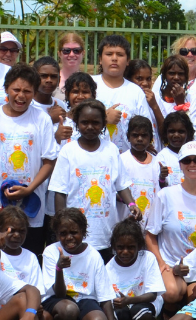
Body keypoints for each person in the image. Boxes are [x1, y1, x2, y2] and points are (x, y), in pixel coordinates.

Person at [0, 64, 58, 251]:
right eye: (16, 90)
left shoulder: (41, 119)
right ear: (6, 89)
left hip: (31, 208)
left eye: (27, 91)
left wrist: (29, 190)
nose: (21, 96)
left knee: (29, 255)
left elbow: (49, 160)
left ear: (34, 92)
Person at [145, 140, 196, 314]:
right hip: (171, 265)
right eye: (187, 160)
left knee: (195, 296)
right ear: (180, 164)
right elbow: (150, 235)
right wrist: (161, 263)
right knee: (172, 293)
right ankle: (170, 304)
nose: (192, 164)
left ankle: (181, 307)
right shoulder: (165, 195)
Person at [50, 99, 135, 254]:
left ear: (103, 124)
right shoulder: (68, 151)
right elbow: (59, 191)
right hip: (76, 233)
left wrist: (132, 205)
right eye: (84, 122)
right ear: (76, 123)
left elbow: (122, 185)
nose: (90, 127)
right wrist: (61, 224)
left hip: (105, 231)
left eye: (95, 123)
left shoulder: (111, 150)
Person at [104, 216, 166, 320]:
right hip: (123, 306)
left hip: (147, 302)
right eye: (120, 247)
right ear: (114, 246)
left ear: (139, 245)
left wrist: (128, 301)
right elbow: (108, 300)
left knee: (139, 311)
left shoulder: (147, 258)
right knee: (118, 314)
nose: (125, 252)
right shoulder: (108, 269)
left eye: (131, 247)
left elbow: (153, 295)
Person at [93, 35, 155, 155]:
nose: (114, 58)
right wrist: (104, 119)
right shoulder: (90, 85)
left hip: (127, 161)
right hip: (94, 159)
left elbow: (146, 127)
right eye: (109, 54)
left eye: (120, 55)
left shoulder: (135, 92)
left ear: (127, 61)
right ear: (100, 59)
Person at [53, 32, 85, 103]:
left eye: (76, 51)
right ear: (59, 54)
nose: (71, 54)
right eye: (66, 51)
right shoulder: (52, 80)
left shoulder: (89, 81)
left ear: (83, 53)